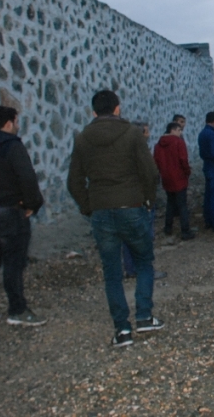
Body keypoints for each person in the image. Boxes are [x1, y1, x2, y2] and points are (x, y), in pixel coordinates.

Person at [67, 90, 164, 347]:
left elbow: (74, 181)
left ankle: (122, 330)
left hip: (101, 211)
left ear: (94, 112)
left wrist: (89, 207)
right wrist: (147, 200)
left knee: (112, 272)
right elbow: (150, 172)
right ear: (118, 109)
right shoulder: (132, 134)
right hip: (131, 206)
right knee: (143, 261)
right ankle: (144, 316)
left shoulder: (82, 139)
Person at [0, 106, 46, 326]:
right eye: (16, 121)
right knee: (14, 262)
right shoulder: (12, 147)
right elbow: (27, 177)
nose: (17, 125)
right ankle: (17, 309)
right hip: (10, 212)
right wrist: (33, 204)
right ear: (8, 123)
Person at [122, 122, 167, 280]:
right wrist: (149, 199)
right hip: (141, 198)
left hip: (126, 199)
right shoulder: (140, 151)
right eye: (147, 132)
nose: (148, 134)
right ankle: (145, 270)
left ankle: (131, 268)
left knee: (128, 237)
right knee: (144, 236)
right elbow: (150, 175)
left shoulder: (123, 150)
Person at [154, 122, 193, 240]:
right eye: (179, 130)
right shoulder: (179, 142)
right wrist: (187, 172)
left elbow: (156, 162)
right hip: (179, 177)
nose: (180, 133)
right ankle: (185, 231)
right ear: (173, 130)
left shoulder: (158, 145)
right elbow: (183, 160)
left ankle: (168, 227)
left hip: (166, 178)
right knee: (182, 205)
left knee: (170, 203)